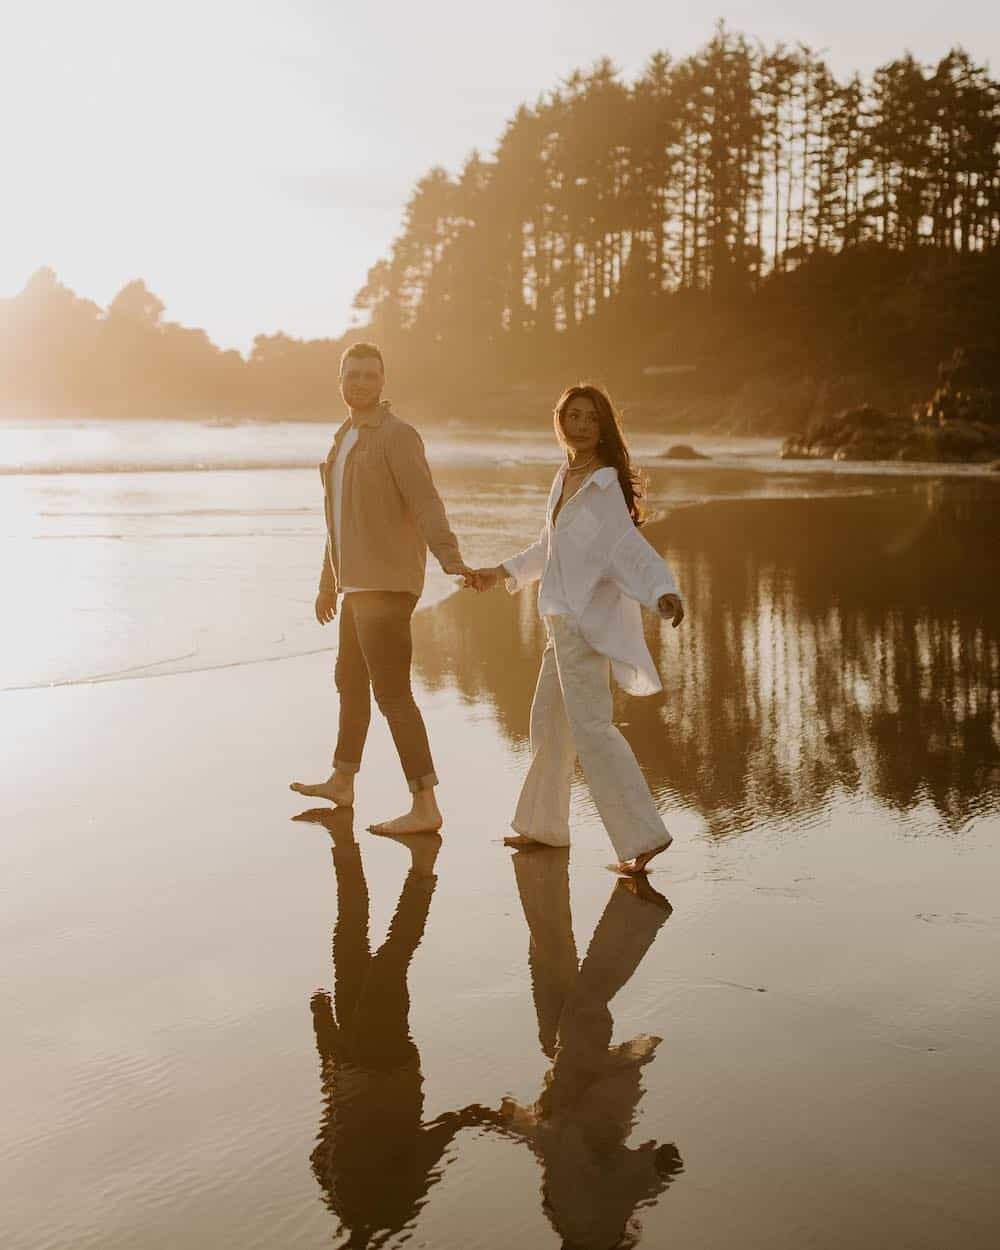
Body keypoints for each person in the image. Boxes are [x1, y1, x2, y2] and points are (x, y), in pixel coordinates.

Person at [472, 383, 685, 874]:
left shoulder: (605, 486)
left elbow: (626, 548)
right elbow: (549, 548)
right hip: (560, 621)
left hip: (585, 626)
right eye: (573, 415)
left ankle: (643, 835)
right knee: (548, 722)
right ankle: (544, 827)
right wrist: (500, 573)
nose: (581, 424)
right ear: (560, 419)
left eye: (590, 417)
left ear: (603, 425)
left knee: (592, 728)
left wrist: (661, 591)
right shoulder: (566, 475)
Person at [291, 343, 473, 835]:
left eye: (371, 375)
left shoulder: (397, 437)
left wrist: (451, 560)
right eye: (353, 375)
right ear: (340, 380)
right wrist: (328, 583)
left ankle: (425, 804)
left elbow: (426, 504)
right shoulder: (344, 439)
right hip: (356, 586)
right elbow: (337, 524)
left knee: (392, 694)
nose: (361, 383)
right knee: (349, 681)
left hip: (387, 584)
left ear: (383, 382)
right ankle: (343, 780)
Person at [480, 847, 683, 1249]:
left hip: (576, 1093)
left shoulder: (580, 1227)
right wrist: (659, 1168)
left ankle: (550, 910)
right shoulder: (591, 1226)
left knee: (560, 1020)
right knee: (580, 1013)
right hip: (589, 1093)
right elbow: (563, 1150)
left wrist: (514, 1121)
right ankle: (636, 913)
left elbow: (557, 1153)